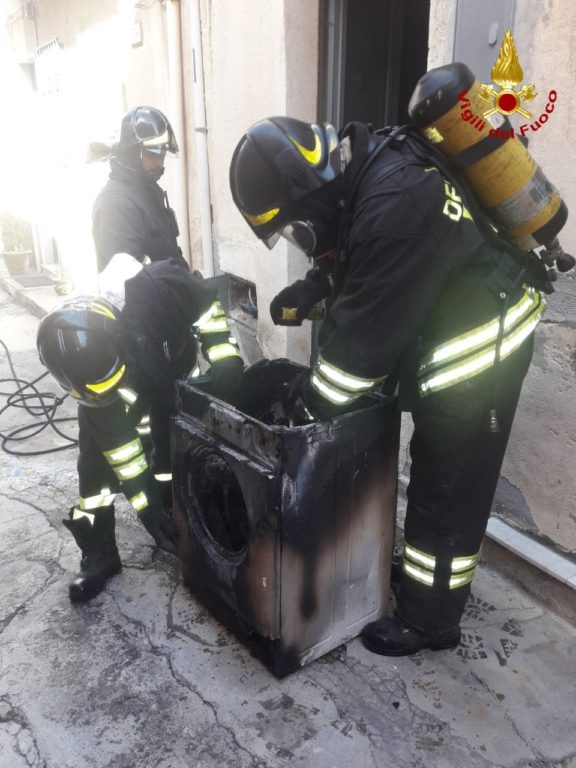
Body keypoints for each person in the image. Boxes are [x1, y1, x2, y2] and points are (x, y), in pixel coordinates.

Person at [228, 116, 548, 656]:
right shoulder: (365, 167)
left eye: (293, 225)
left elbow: (356, 354)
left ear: (313, 191)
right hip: (452, 317)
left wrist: (305, 414)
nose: (299, 236)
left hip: (481, 342)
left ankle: (431, 622)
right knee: (435, 473)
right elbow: (355, 252)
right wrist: (312, 288)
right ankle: (426, 581)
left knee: (448, 481)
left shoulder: (397, 206)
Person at [37, 258, 244, 603]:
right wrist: (145, 508)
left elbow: (206, 306)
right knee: (96, 467)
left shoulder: (160, 288)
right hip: (117, 388)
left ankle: (179, 512)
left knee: (171, 448)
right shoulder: (84, 371)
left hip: (168, 370)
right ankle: (99, 551)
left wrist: (223, 354)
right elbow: (125, 455)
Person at [91, 105, 187, 272]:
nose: (159, 163)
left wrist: (190, 284)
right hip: (143, 298)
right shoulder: (115, 204)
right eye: (152, 155)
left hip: (166, 296)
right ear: (132, 154)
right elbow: (129, 280)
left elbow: (171, 255)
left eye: (162, 155)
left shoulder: (150, 194)